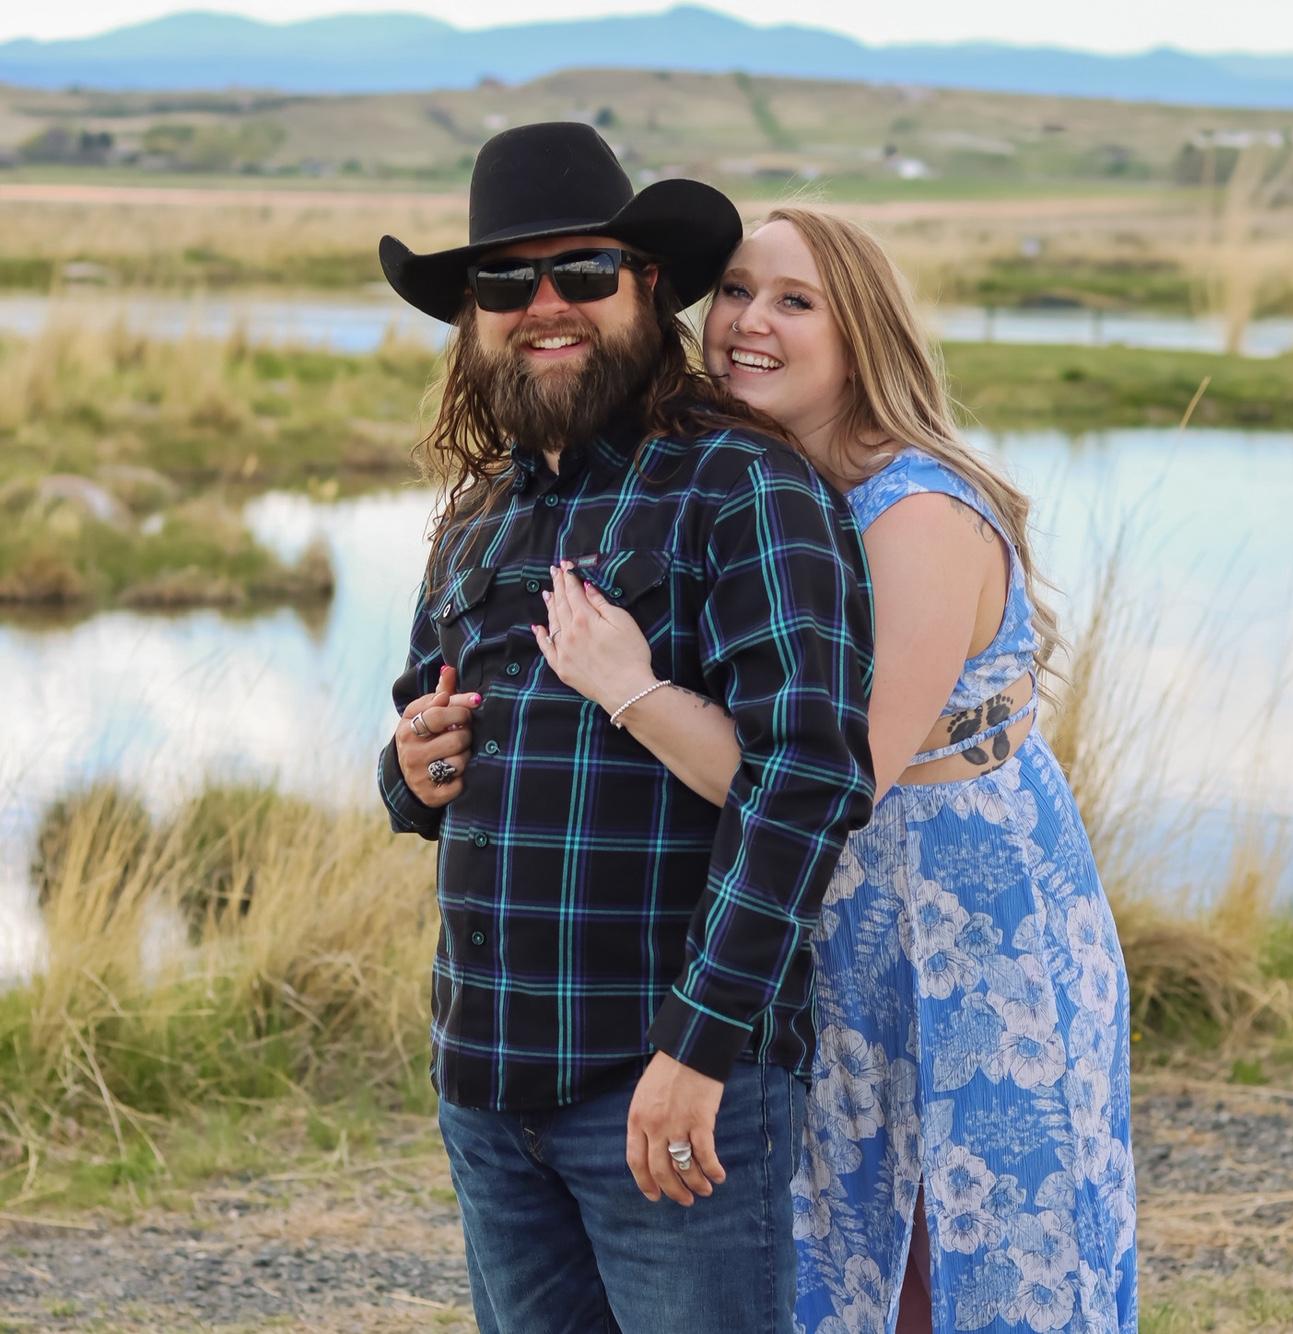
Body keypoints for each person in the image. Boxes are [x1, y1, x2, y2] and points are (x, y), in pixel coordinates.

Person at [539, 207, 1137, 1333]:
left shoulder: (915, 514)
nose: (747, 322)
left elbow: (827, 782)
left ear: (860, 336)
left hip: (963, 926)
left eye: (794, 301)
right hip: (831, 920)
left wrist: (628, 686)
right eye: (733, 292)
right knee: (839, 1242)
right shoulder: (763, 493)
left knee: (956, 1249)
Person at [374, 125, 876, 1334]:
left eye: (582, 272)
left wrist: (698, 1050)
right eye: (506, 282)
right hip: (487, 1082)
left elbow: (806, 780)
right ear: (474, 318)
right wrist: (408, 771)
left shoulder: (742, 486)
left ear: (647, 286)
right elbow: (424, 735)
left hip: (666, 1081)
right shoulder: (479, 515)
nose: (543, 304)